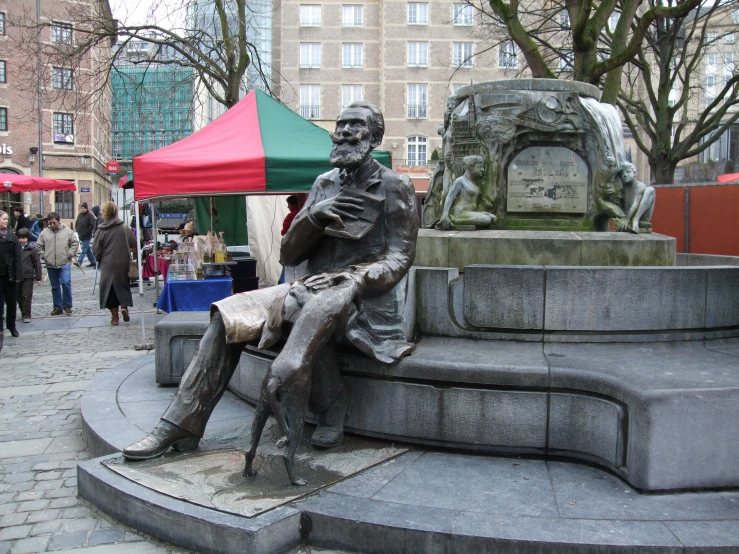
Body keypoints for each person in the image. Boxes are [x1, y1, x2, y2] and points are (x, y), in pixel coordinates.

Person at [123, 102, 419, 479]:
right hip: (307, 286)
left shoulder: (397, 186)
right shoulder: (323, 184)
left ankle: (330, 403)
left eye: (356, 126)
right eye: (340, 124)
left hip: (363, 294)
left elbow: (400, 257)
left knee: (305, 312)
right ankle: (179, 423)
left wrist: (356, 278)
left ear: (374, 137)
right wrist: (311, 217)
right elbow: (290, 252)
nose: (343, 132)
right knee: (226, 316)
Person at [93, 202, 136, 325]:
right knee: (122, 286)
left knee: (109, 290)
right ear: (116, 212)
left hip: (107, 263)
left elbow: (96, 250)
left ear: (105, 213)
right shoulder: (124, 227)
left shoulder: (101, 230)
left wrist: (100, 259)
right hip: (122, 263)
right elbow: (133, 242)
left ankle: (115, 317)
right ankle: (124, 307)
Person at [437, 155, 496, 230]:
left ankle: (460, 219)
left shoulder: (474, 182)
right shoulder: (460, 180)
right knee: (486, 220)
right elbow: (450, 197)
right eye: (480, 167)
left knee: (493, 218)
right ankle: (456, 220)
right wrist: (445, 216)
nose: (482, 170)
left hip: (469, 212)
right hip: (460, 212)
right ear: (470, 167)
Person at [37, 213, 79, 315]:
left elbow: (74, 242)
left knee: (65, 282)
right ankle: (57, 307)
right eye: (50, 223)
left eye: (54, 222)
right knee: (55, 287)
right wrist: (44, 255)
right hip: (50, 263)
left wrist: (69, 253)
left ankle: (67, 305)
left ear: (58, 220)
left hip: (64, 262)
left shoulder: (67, 231)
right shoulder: (44, 233)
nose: (52, 225)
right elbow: (39, 245)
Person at [615, 162, 656, 234]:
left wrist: (627, 219)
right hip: (627, 219)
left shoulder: (640, 186)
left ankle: (635, 220)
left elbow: (636, 204)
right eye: (622, 173)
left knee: (650, 190)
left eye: (628, 172)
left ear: (634, 174)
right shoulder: (623, 189)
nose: (624, 175)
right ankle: (631, 222)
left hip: (640, 218)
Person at [0, 210, 22, 338]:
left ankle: (11, 326)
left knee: (12, 302)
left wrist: (18, 275)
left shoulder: (11, 236)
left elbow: (18, 256)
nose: (7, 221)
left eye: (7, 219)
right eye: (4, 219)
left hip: (11, 275)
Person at [16, 228, 42, 323]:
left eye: (23, 238)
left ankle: (26, 314)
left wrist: (38, 277)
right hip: (17, 276)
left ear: (27, 238)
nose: (21, 240)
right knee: (18, 296)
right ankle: (23, 310)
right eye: (20, 238)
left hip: (28, 275)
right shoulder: (16, 248)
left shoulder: (32, 249)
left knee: (26, 295)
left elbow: (37, 263)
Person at [75, 202, 97, 268]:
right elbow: (77, 223)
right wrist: (77, 231)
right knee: (87, 250)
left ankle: (79, 261)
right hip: (80, 235)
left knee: (84, 249)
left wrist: (85, 233)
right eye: (81, 208)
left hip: (87, 235)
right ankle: (93, 262)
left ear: (86, 208)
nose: (82, 209)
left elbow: (91, 226)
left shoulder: (90, 216)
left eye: (84, 208)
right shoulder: (79, 215)